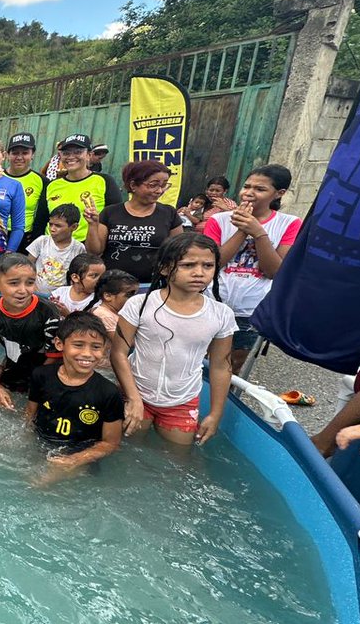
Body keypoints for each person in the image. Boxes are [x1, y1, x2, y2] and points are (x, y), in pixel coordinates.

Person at [111, 233, 236, 445]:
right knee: (126, 449)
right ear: (165, 268)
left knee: (179, 459)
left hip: (183, 402)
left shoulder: (221, 314)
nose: (199, 273)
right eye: (188, 265)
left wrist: (215, 415)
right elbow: (118, 353)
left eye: (208, 265)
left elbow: (221, 367)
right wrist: (133, 398)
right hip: (135, 393)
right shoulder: (140, 305)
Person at [202, 164, 300, 374]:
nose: (249, 193)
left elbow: (274, 271)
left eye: (260, 189)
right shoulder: (218, 220)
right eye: (247, 186)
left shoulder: (289, 223)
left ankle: (222, 403)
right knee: (200, 359)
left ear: (279, 193)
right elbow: (212, 263)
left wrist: (258, 233)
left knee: (233, 366)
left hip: (252, 308)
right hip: (213, 302)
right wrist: (241, 230)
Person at [25, 312, 124, 477]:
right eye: (78, 345)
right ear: (59, 344)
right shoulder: (41, 375)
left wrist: (75, 459)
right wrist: (25, 442)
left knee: (40, 483)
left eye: (96, 347)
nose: (87, 353)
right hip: (41, 444)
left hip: (81, 455)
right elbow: (30, 415)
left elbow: (110, 443)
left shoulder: (108, 392)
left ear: (105, 347)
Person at [0, 252, 63, 409]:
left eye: (30, 283)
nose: (23, 290)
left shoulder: (48, 313)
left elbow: (55, 356)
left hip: (47, 372)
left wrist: (35, 391)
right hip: (15, 368)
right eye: (14, 283)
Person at [83, 160, 183, 283]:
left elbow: (178, 251)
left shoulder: (169, 213)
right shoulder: (110, 212)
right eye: (153, 185)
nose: (159, 191)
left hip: (152, 286)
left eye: (164, 185)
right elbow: (94, 252)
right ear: (133, 185)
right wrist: (92, 225)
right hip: (113, 286)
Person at [29, 134, 122, 242]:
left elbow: (115, 220)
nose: (71, 157)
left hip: (88, 249)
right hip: (52, 250)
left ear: (89, 155)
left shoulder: (105, 181)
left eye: (78, 152)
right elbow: (41, 220)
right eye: (66, 153)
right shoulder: (52, 185)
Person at [82, 268, 139, 372]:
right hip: (103, 370)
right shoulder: (103, 315)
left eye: (135, 294)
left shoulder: (115, 312)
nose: (134, 299)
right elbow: (127, 343)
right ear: (108, 296)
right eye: (129, 295)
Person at [25, 204, 85, 295]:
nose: (52, 229)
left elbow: (78, 277)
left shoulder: (79, 249)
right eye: (50, 224)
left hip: (60, 298)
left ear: (74, 227)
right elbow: (27, 266)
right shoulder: (42, 241)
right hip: (35, 294)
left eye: (58, 226)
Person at [4, 132, 44, 241]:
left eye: (25, 153)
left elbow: (43, 215)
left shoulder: (41, 180)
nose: (19, 157)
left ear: (33, 154)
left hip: (25, 238)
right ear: (7, 155)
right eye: (15, 153)